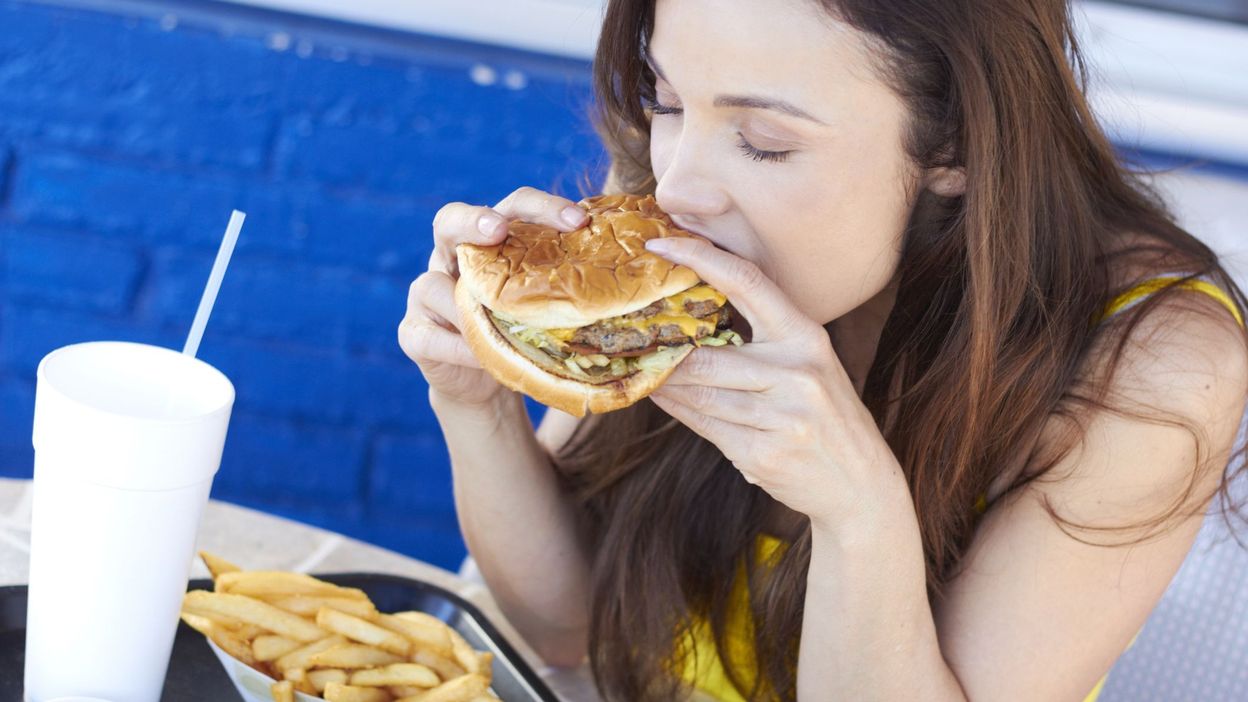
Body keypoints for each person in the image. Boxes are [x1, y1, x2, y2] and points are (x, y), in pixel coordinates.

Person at [398, 0, 1248, 699]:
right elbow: (563, 628)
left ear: (955, 142)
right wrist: (475, 401)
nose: (678, 188)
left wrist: (857, 513)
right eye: (667, 100)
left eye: (766, 140)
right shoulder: (684, 200)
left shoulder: (1156, 360)